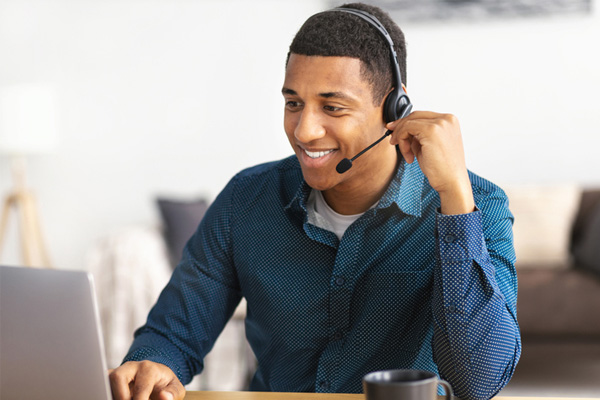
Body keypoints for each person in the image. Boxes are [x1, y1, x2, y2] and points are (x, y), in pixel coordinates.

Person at [109, 3, 521, 400]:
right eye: (293, 103)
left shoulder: (473, 204)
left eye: (332, 107)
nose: (304, 131)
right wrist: (154, 365)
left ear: (396, 107)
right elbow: (172, 335)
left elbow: (479, 381)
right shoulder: (246, 200)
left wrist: (454, 202)